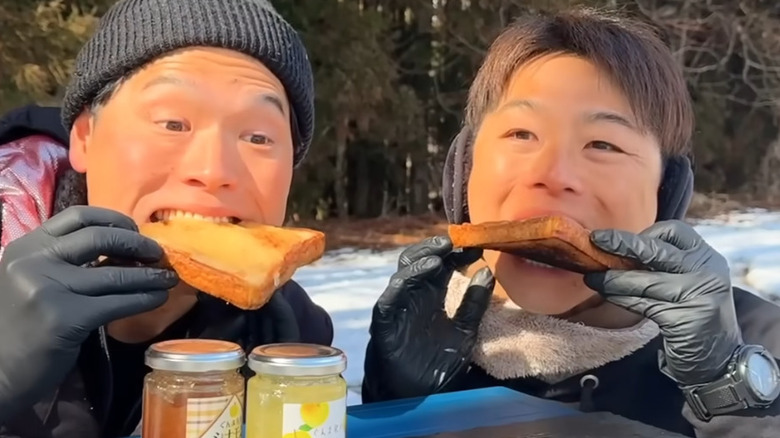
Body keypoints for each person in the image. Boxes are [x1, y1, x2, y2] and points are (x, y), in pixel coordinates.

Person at [362, 7, 780, 438]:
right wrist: (395, 402)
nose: (553, 174)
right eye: (521, 134)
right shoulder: (418, 329)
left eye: (603, 144)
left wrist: (725, 390)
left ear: (666, 191)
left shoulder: (760, 342)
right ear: (462, 169)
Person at [0, 0, 333, 436]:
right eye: (173, 124)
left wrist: (410, 399)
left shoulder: (289, 336)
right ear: (85, 136)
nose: (214, 171)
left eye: (257, 136)